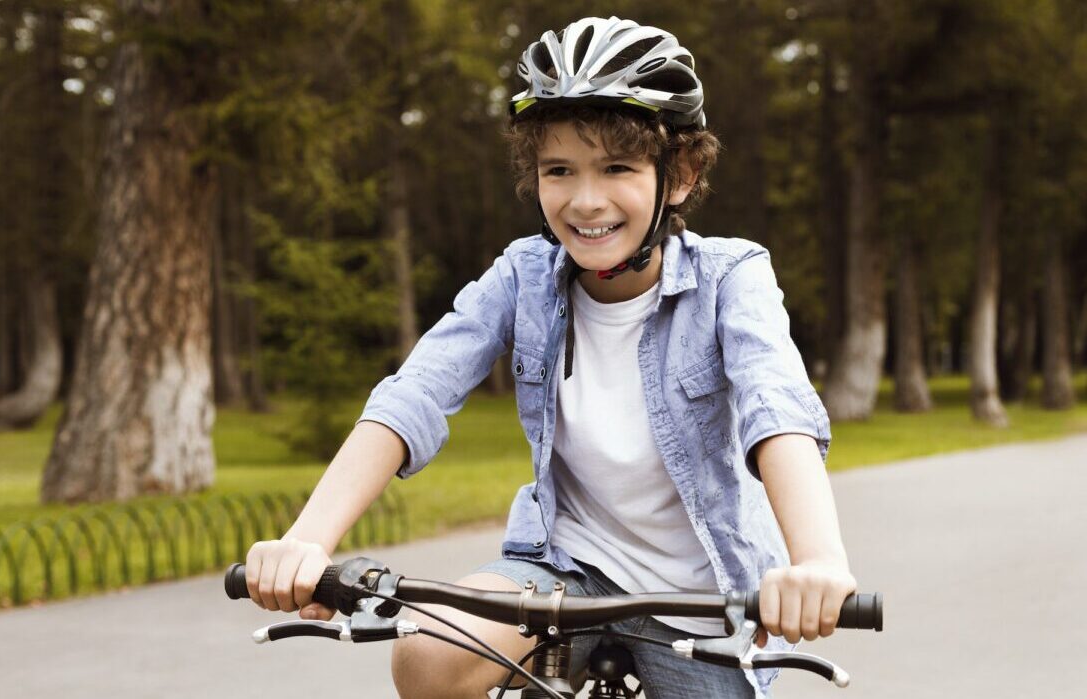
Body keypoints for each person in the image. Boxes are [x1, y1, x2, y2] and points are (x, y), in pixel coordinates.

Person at [244, 16, 856, 698]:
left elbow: (777, 411)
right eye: (558, 169)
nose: (585, 199)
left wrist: (818, 560)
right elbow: (415, 392)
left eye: (617, 167)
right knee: (428, 657)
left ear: (679, 174)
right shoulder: (524, 275)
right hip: (565, 568)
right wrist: (307, 539)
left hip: (701, 597)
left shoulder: (729, 279)